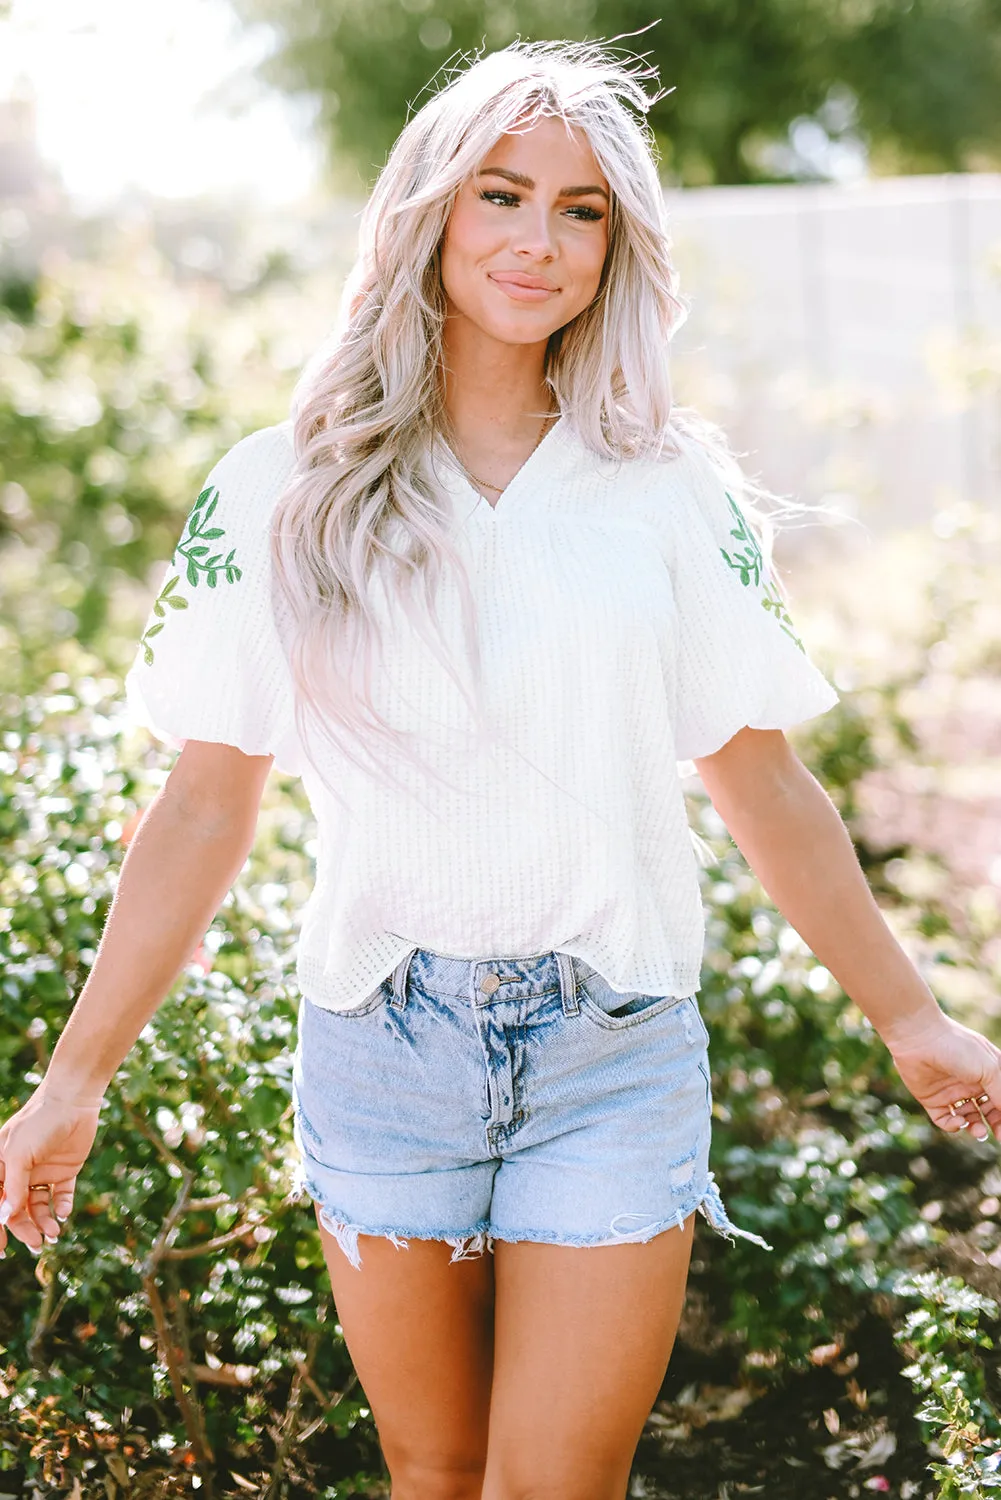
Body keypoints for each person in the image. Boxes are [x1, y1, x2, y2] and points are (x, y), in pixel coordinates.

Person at [1, 37, 999, 1500]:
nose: (540, 240)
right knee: (437, 1474)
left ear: (617, 246)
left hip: (612, 1049)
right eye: (502, 195)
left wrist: (913, 1019)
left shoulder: (667, 488)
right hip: (381, 1042)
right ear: (430, 211)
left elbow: (762, 779)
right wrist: (71, 1083)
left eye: (582, 210)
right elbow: (207, 804)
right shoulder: (284, 486)